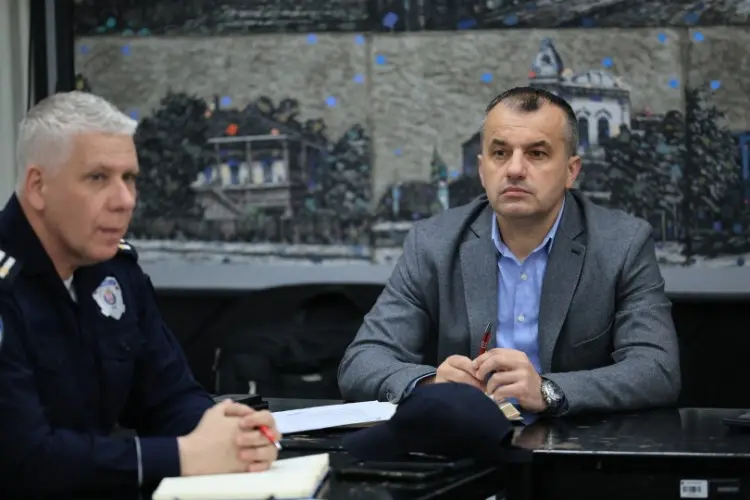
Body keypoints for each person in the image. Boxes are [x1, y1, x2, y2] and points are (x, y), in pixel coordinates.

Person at [0, 91, 280, 498]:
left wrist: (230, 432)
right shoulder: (7, 287)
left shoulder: (113, 270)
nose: (125, 200)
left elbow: (169, 396)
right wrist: (185, 456)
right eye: (98, 178)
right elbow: (25, 459)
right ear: (38, 187)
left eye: (129, 178)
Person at [338, 87, 681, 416]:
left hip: (578, 442)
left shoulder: (622, 243)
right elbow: (362, 362)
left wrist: (547, 391)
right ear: (482, 168)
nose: (515, 169)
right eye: (500, 153)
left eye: (537, 153)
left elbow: (657, 370)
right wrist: (431, 383)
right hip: (469, 439)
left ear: (570, 171)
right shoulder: (432, 243)